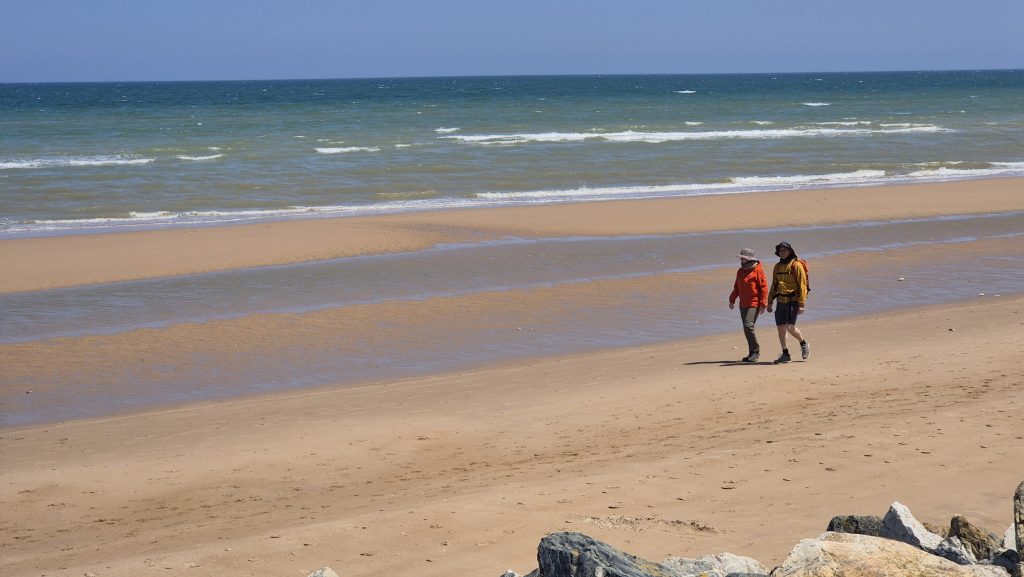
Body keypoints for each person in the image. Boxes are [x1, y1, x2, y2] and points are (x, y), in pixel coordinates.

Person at [766, 241, 809, 364]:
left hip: (793, 301)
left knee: (790, 327)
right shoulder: (777, 266)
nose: (782, 252)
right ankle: (785, 354)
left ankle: (803, 343)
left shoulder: (796, 265)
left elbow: (803, 286)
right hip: (781, 301)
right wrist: (769, 301)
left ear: (790, 251)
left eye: (785, 250)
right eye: (780, 250)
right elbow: (774, 285)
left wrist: (801, 304)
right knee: (781, 328)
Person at [728, 248, 768, 362]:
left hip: (754, 303)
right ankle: (752, 353)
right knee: (747, 329)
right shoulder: (740, 271)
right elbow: (736, 287)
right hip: (743, 304)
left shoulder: (758, 270)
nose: (741, 259)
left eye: (743, 258)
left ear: (749, 259)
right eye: (741, 258)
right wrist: (732, 299)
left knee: (748, 326)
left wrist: (763, 303)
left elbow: (764, 287)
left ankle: (755, 351)